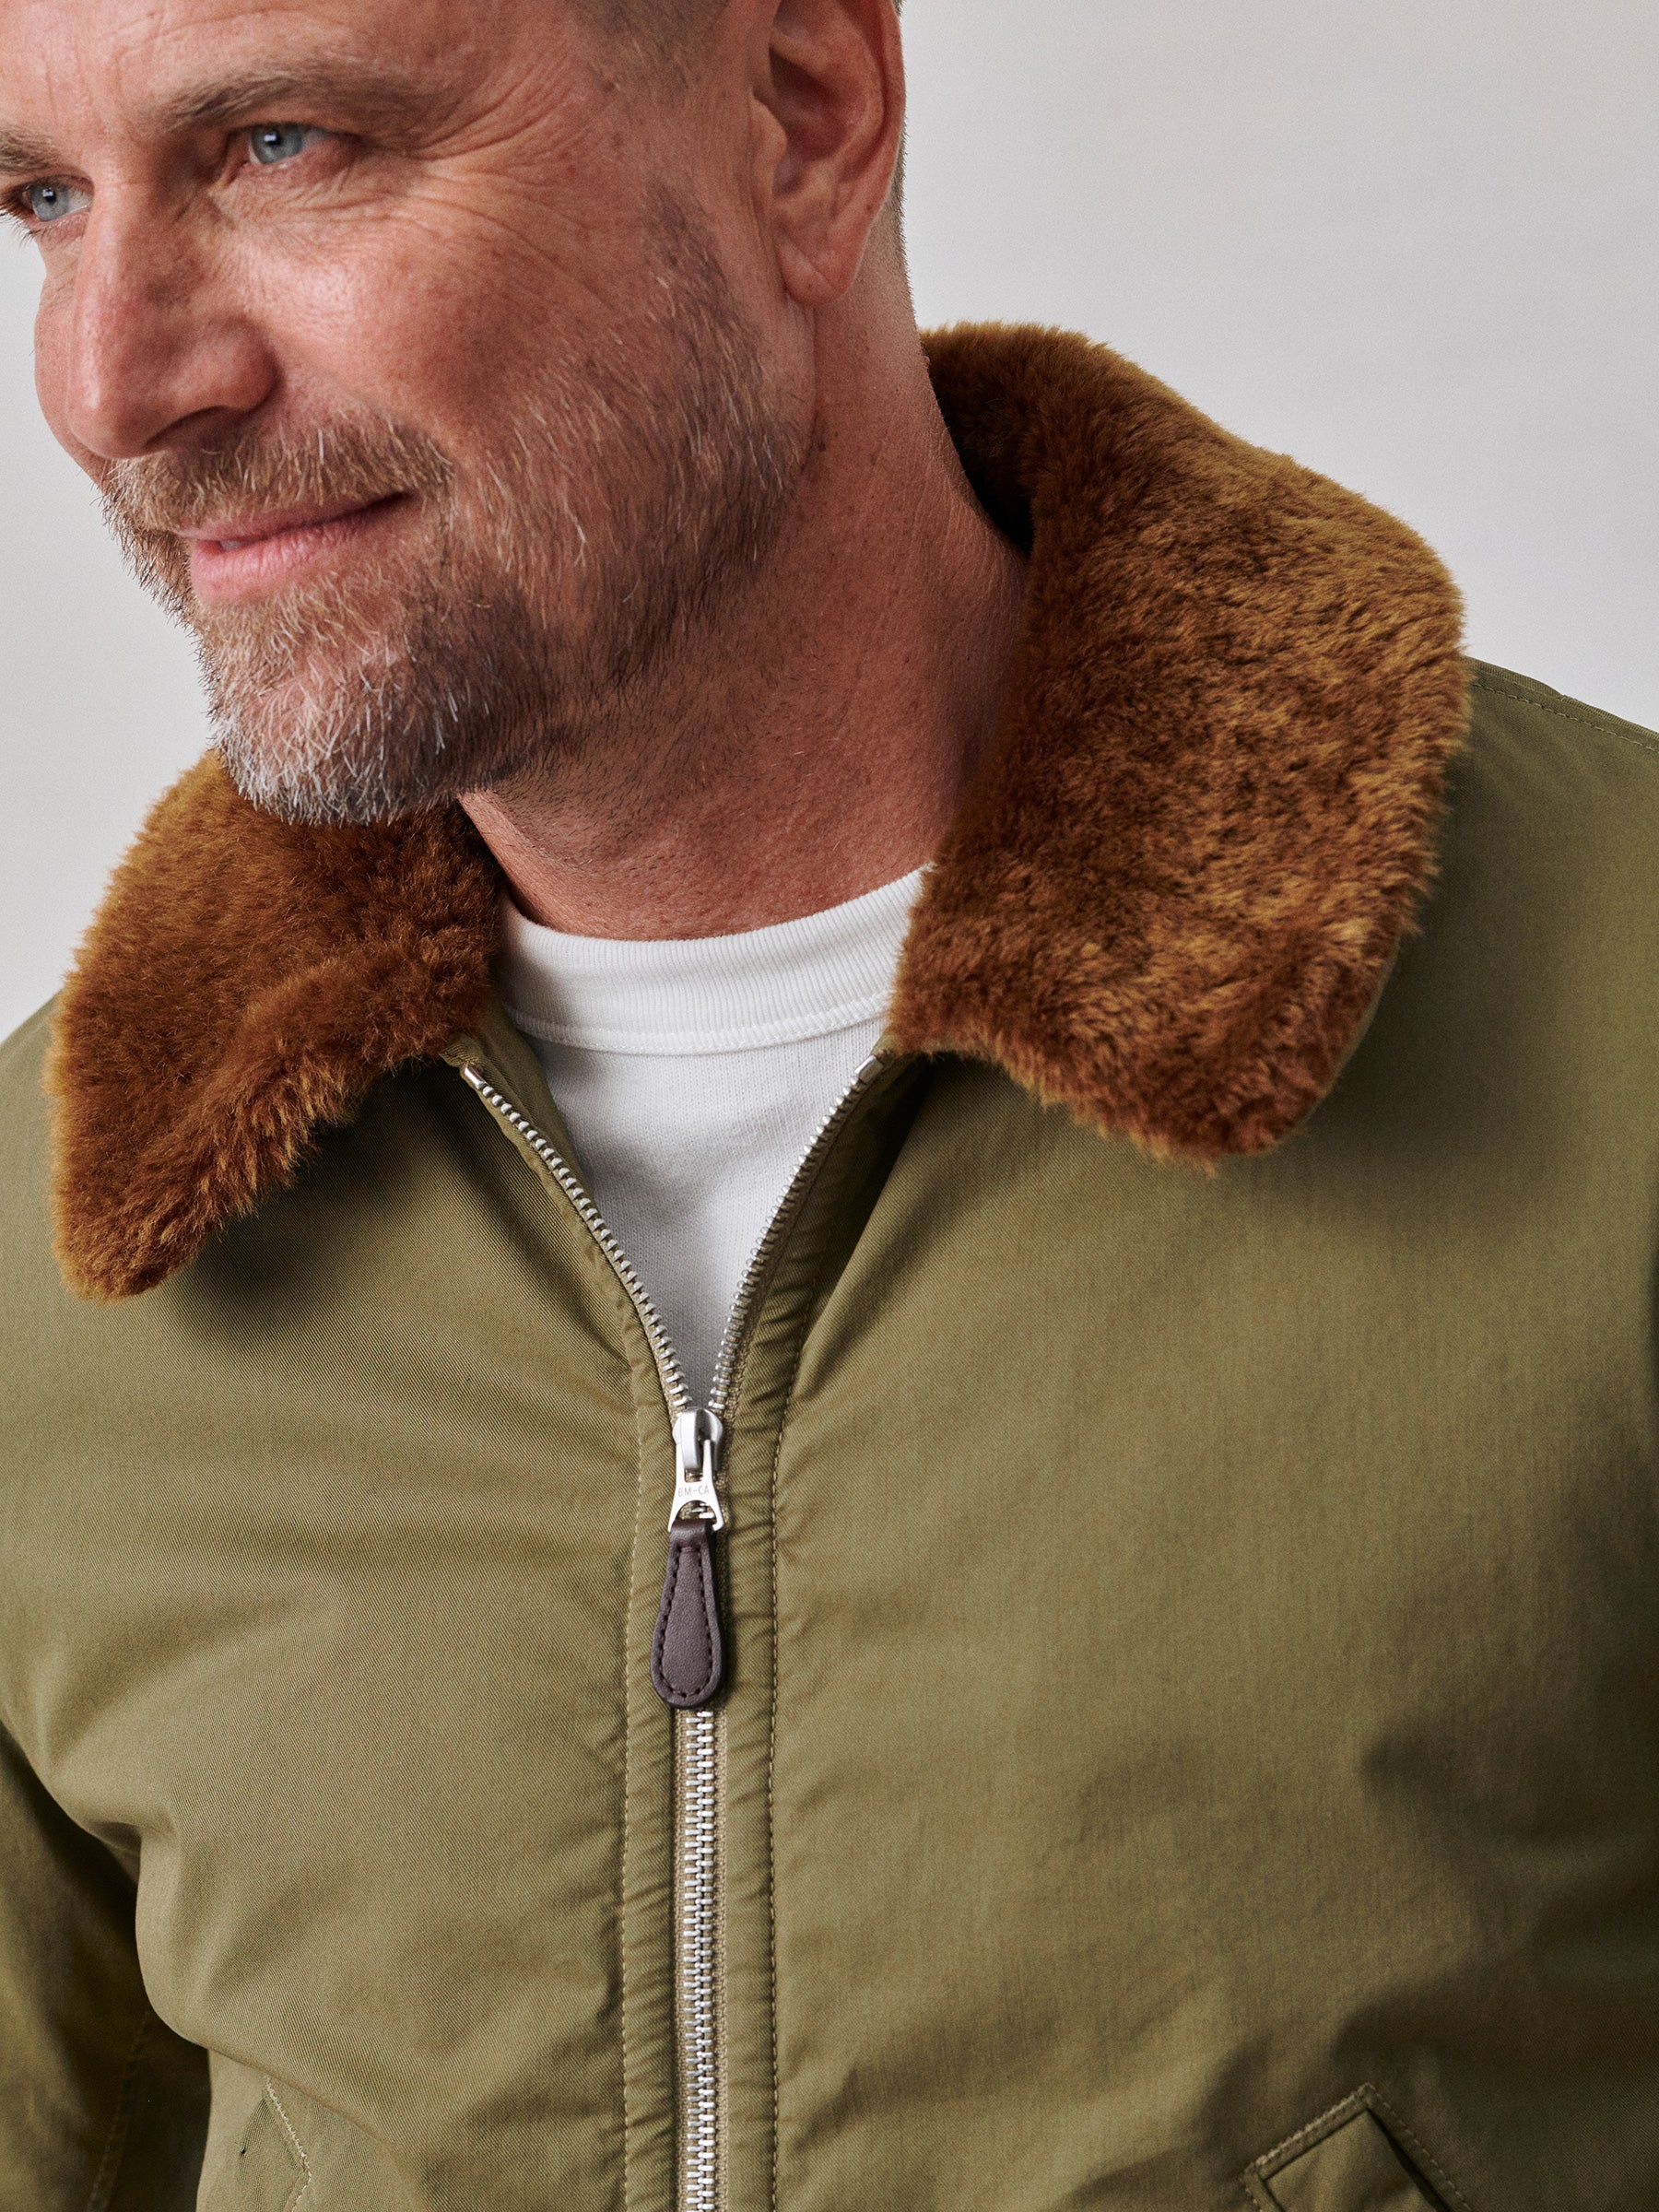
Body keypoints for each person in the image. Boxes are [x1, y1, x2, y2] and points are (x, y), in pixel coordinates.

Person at [1, 0, 1654, 2205]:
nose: (109, 381)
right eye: (40, 197)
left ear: (803, 117)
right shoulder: (51, 1256)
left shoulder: (1614, 1031)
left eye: (285, 145)